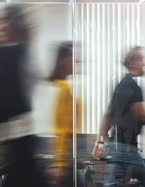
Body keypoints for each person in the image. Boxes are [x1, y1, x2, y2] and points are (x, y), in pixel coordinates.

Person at [0, 4, 48, 187]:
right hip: (19, 140)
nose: (1, 27)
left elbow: (7, 101)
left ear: (15, 23)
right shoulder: (23, 52)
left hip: (20, 140)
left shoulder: (11, 54)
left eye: (5, 21)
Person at [91, 46, 145, 187]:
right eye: (142, 59)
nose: (144, 63)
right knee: (141, 180)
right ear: (132, 62)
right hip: (126, 148)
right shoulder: (131, 87)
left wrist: (98, 142)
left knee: (143, 179)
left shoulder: (121, 85)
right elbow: (143, 115)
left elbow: (108, 115)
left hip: (123, 147)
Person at [47, 42, 81, 187]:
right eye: (73, 56)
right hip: (63, 160)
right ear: (63, 59)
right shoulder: (62, 88)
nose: (77, 61)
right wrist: (60, 164)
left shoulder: (61, 86)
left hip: (67, 158)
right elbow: (61, 129)